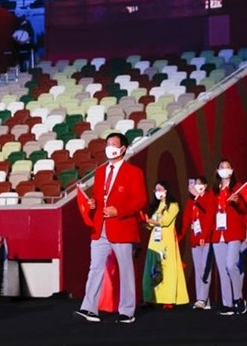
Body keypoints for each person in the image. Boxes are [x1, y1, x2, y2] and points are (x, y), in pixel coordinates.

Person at [74, 132, 147, 324]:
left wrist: (119, 211)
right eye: (107, 144)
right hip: (101, 228)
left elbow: (140, 200)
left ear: (123, 148)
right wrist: (92, 203)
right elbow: (98, 197)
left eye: (113, 144)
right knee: (95, 268)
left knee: (126, 270)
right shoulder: (100, 171)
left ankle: (127, 311)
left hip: (122, 227)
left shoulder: (134, 172)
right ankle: (89, 308)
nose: (109, 147)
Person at [142, 180, 189, 308]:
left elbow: (166, 221)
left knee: (167, 269)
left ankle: (168, 298)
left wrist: (149, 220)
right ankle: (150, 298)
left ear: (167, 190)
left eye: (160, 189)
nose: (158, 192)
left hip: (166, 241)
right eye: (156, 190)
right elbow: (150, 225)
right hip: (154, 242)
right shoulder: (156, 207)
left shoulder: (174, 205)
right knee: (152, 269)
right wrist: (145, 221)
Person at [210, 158, 247, 316]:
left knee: (231, 265)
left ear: (232, 170)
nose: (225, 170)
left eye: (227, 167)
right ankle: (227, 303)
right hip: (218, 233)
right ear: (217, 171)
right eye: (221, 167)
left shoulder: (238, 188)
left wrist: (238, 201)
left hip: (233, 232)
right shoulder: (214, 190)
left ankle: (239, 298)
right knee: (222, 270)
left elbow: (244, 209)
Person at [181, 176, 215, 310]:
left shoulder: (208, 197)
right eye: (195, 184)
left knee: (206, 269)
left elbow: (209, 216)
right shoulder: (192, 201)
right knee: (199, 269)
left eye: (200, 184)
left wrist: (204, 235)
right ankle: (203, 299)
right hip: (195, 239)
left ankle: (202, 298)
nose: (197, 186)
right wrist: (180, 235)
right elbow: (187, 219)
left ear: (205, 186)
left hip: (206, 239)